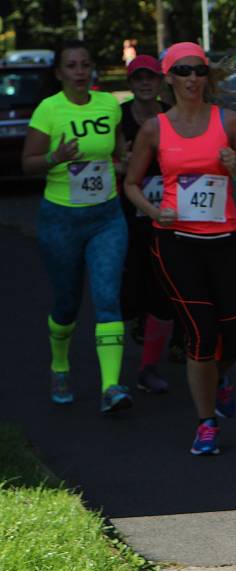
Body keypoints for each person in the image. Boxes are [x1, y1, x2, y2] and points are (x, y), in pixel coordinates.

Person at [124, 42, 236, 455]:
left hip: (224, 241)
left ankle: (217, 379)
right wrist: (154, 211)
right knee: (201, 335)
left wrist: (234, 166)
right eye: (182, 71)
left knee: (233, 335)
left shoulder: (230, 122)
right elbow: (131, 183)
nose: (191, 79)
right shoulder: (156, 128)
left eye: (198, 71)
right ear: (169, 77)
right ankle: (206, 423)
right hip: (176, 242)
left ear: (207, 77)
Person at [21, 39, 133, 413]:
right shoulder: (48, 110)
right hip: (61, 220)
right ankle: (59, 363)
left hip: (106, 217)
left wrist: (123, 163)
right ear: (59, 73)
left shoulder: (108, 106)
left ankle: (111, 387)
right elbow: (28, 163)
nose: (80, 72)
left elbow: (118, 154)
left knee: (107, 298)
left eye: (85, 64)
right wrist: (56, 156)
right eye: (72, 66)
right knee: (67, 303)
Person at [118, 54, 174, 394]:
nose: (144, 83)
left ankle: (148, 366)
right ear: (130, 82)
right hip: (126, 211)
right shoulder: (117, 117)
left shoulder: (170, 115)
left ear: (160, 81)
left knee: (164, 287)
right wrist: (118, 162)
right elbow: (105, 158)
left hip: (166, 212)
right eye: (138, 77)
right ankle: (138, 321)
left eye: (150, 77)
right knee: (130, 286)